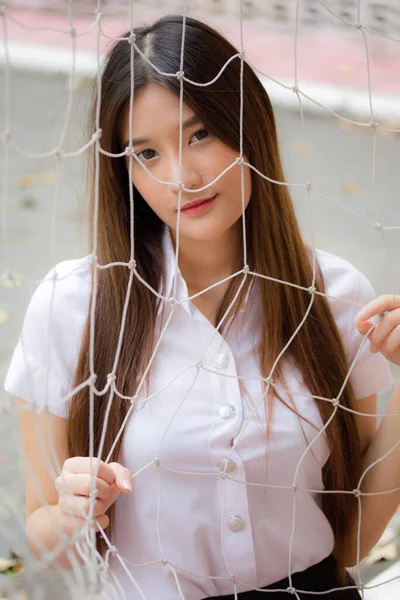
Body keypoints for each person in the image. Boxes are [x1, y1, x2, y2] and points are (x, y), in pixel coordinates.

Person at [4, 14, 400, 600]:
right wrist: (73, 512)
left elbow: (348, 540)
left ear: (248, 126)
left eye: (199, 135)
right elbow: (46, 536)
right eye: (146, 153)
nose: (182, 177)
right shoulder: (69, 305)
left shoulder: (336, 295)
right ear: (124, 168)